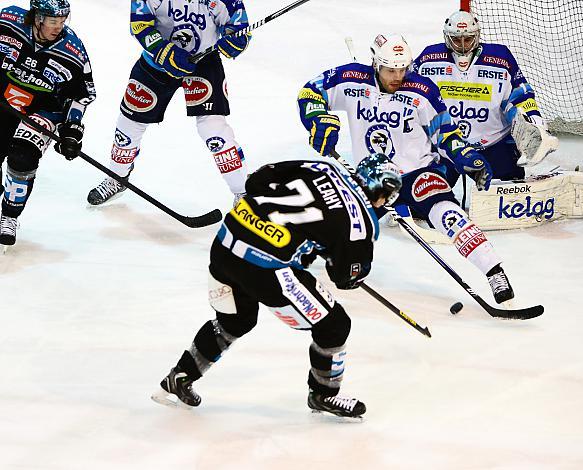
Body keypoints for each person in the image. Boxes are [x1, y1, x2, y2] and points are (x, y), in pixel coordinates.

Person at [151, 154, 402, 419]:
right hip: (264, 268)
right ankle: (323, 393)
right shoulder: (361, 223)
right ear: (382, 191)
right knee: (335, 325)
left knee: (236, 320)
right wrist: (329, 251)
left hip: (226, 243)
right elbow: (346, 278)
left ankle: (180, 375)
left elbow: (257, 179)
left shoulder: (321, 167)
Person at [296, 33, 515, 305]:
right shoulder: (350, 79)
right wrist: (318, 119)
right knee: (342, 223)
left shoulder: (422, 90)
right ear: (375, 63)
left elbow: (445, 133)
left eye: (403, 68)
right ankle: (300, 255)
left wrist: (465, 155)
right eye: (390, 70)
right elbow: (310, 92)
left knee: (449, 215)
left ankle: (494, 270)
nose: (397, 76)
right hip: (373, 178)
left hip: (419, 174)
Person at [86, 0, 252, 207]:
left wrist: (236, 41)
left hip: (204, 63)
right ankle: (116, 177)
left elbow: (239, 28)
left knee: (213, 129)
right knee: (128, 124)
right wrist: (164, 51)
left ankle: (243, 191)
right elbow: (140, 24)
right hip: (155, 63)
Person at [413, 10, 558, 181]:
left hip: (494, 143)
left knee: (508, 194)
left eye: (467, 39)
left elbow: (520, 96)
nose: (462, 45)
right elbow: (410, 92)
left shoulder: (500, 58)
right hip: (448, 145)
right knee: (425, 194)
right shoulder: (429, 59)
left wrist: (535, 122)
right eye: (456, 39)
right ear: (447, 37)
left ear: (477, 35)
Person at [0, 0, 96, 246]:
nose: (59, 27)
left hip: (43, 110)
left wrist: (72, 131)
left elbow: (82, 94)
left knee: (23, 157)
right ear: (37, 18)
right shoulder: (7, 22)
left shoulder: (73, 51)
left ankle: (9, 217)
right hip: (3, 100)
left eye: (63, 21)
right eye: (54, 21)